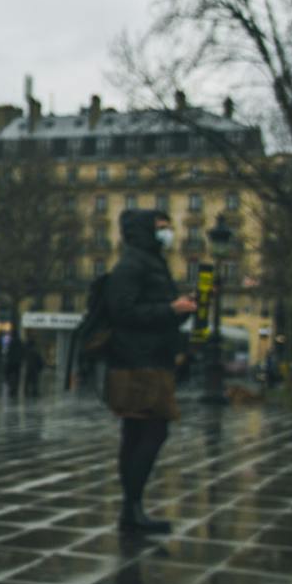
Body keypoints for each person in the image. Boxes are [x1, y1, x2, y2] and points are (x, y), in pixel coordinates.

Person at [105, 210, 197, 534]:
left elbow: (147, 310)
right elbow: (122, 310)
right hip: (138, 362)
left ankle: (132, 508)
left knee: (136, 433)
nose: (168, 233)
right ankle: (132, 507)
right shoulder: (134, 264)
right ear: (145, 231)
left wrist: (176, 312)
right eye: (162, 228)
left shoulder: (149, 262)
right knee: (151, 431)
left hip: (148, 358)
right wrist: (170, 309)